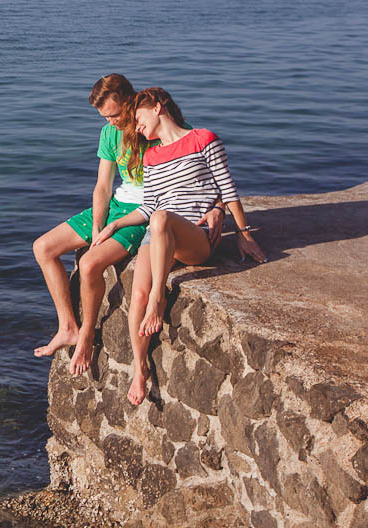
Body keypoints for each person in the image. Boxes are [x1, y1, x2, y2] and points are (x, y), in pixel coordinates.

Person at [32, 75, 222, 375]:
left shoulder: (152, 129)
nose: (111, 122)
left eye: (115, 114)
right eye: (105, 117)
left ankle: (86, 335)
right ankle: (67, 326)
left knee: (90, 264)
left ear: (130, 100)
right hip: (116, 206)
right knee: (42, 247)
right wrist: (97, 225)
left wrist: (217, 207)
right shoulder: (109, 133)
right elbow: (103, 187)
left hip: (143, 213)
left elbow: (201, 172)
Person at [93, 87, 266, 405]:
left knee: (160, 224)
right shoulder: (151, 154)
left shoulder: (203, 139)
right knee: (137, 294)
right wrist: (114, 224)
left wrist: (244, 233)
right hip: (158, 232)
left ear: (158, 107)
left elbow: (227, 189)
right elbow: (148, 207)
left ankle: (160, 297)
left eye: (138, 117)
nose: (135, 125)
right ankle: (140, 367)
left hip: (193, 237)